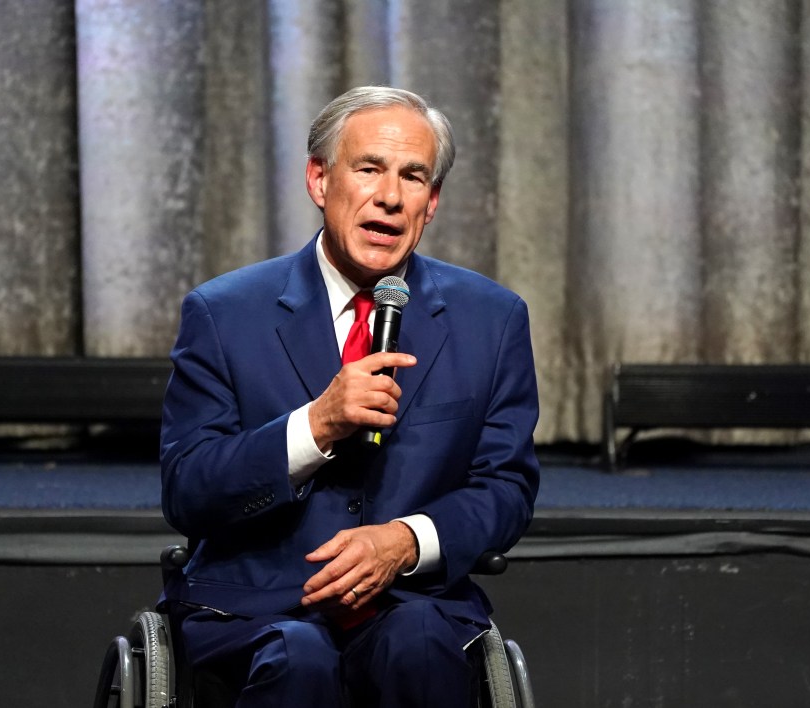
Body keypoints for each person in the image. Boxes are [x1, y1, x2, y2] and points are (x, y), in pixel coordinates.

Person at [159, 86, 539, 708]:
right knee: (298, 658)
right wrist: (315, 425)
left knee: (417, 644)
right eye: (368, 169)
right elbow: (188, 489)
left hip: (414, 604)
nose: (389, 196)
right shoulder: (225, 314)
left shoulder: (491, 321)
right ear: (318, 180)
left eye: (413, 177)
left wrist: (408, 541)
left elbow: (506, 488)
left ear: (432, 202)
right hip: (259, 606)